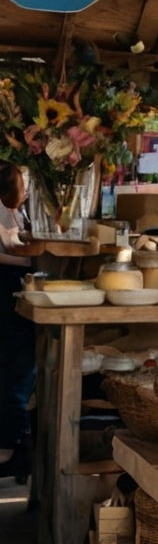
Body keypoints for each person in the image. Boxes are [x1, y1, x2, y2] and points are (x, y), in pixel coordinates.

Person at [0, 162, 36, 483]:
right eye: (21, 183)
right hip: (4, 288)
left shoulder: (14, 211)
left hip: (13, 284)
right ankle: (10, 449)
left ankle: (15, 445)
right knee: (16, 366)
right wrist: (30, 260)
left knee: (20, 366)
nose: (24, 189)